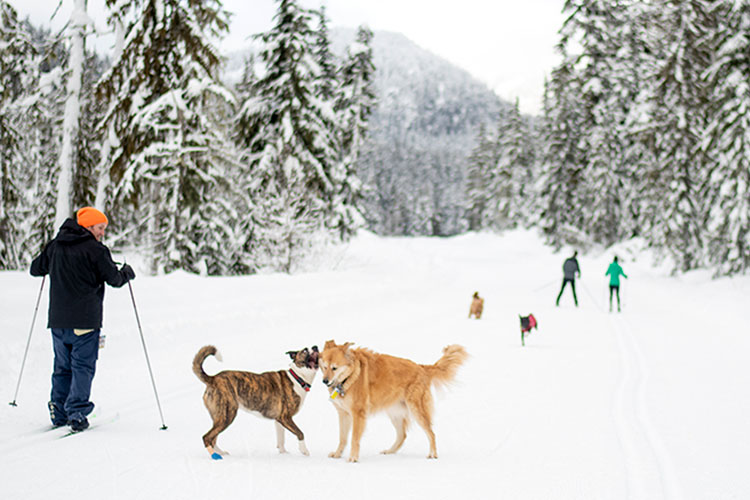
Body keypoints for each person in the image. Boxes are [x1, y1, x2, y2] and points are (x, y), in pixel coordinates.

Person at [30, 207, 135, 432]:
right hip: (85, 321)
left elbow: (36, 269)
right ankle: (76, 411)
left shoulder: (55, 245)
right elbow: (114, 279)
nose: (102, 233)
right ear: (88, 226)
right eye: (100, 228)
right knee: (82, 367)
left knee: (62, 366)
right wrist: (127, 272)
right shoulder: (95, 250)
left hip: (58, 321)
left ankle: (58, 410)